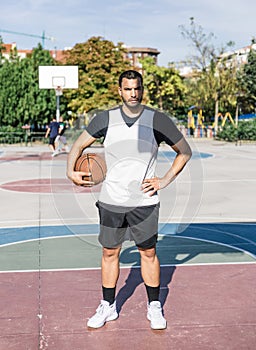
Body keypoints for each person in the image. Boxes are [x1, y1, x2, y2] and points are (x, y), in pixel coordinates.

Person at [67, 70, 192, 330]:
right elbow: (78, 146)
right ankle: (108, 306)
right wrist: (70, 170)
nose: (133, 93)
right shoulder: (104, 119)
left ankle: (154, 306)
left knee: (148, 253)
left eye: (137, 88)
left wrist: (164, 180)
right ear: (119, 90)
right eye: (127, 89)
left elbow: (184, 151)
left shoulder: (157, 120)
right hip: (111, 200)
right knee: (109, 252)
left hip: (143, 202)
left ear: (142, 89)